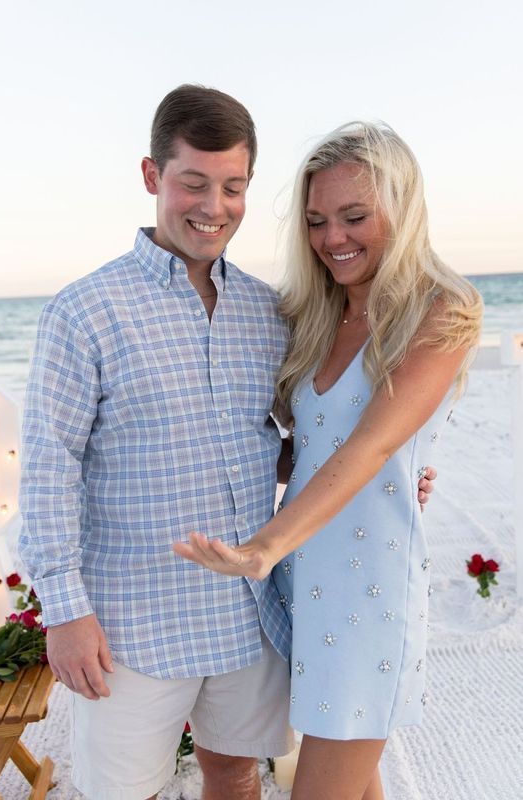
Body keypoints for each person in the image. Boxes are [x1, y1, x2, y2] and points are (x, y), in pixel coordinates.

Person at [19, 86, 435, 800]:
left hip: (248, 614)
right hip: (131, 623)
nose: (214, 206)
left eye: (233, 187)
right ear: (152, 176)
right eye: (194, 183)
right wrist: (65, 610)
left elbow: (286, 441)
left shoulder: (268, 311)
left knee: (237, 773)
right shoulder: (83, 312)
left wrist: (393, 471)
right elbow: (49, 468)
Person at [173, 121, 482, 800]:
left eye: (354, 217)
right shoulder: (315, 315)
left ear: (401, 208)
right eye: (316, 221)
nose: (332, 237)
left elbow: (372, 444)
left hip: (370, 595)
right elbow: (304, 449)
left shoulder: (441, 309)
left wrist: (263, 546)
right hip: (304, 584)